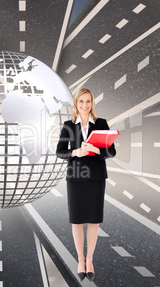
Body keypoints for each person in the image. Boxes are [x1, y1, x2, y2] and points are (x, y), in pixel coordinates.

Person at [56, 88, 116, 282]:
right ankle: (80, 260)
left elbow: (112, 152)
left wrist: (96, 149)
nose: (84, 105)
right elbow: (59, 152)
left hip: (96, 178)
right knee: (77, 220)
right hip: (75, 177)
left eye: (88, 101)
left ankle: (90, 260)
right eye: (81, 101)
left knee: (93, 220)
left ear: (92, 103)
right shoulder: (67, 125)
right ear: (76, 103)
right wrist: (75, 153)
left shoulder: (101, 124)